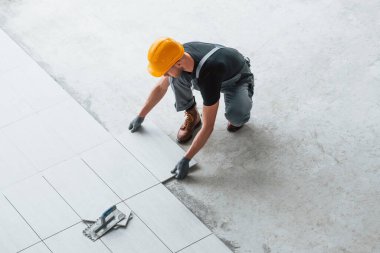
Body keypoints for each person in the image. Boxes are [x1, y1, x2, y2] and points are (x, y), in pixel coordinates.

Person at [129, 37, 254, 180]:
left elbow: (208, 127)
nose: (163, 74)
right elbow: (161, 87)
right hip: (210, 72)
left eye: (165, 71)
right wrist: (141, 115)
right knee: (174, 78)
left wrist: (186, 159)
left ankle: (242, 101)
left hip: (235, 79)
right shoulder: (178, 53)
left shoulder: (209, 74)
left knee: (236, 117)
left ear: (178, 63)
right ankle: (193, 114)